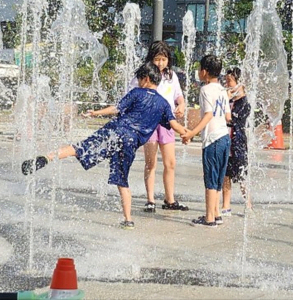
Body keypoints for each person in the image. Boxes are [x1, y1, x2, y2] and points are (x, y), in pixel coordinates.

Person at [21, 62, 188, 230]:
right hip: (130, 142)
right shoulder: (163, 103)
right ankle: (128, 220)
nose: (137, 82)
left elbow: (116, 108)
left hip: (115, 131)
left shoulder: (137, 93)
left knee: (80, 148)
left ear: (145, 79)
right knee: (122, 180)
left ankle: (47, 158)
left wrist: (95, 112)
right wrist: (186, 134)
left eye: (138, 79)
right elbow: (174, 124)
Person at [127, 41, 188, 213]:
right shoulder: (143, 75)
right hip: (149, 123)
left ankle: (170, 199)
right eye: (157, 59)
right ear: (150, 59)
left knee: (170, 163)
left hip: (167, 122)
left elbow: (179, 97)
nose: (160, 63)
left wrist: (181, 105)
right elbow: (131, 95)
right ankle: (150, 199)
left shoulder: (171, 77)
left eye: (164, 59)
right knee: (150, 162)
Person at [181, 55, 232, 227]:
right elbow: (227, 116)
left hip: (212, 139)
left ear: (204, 71)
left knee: (210, 178)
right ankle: (216, 213)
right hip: (225, 137)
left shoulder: (205, 90)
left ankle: (209, 217)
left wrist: (191, 133)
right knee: (218, 178)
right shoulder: (222, 90)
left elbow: (208, 115)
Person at [222, 67, 252, 215]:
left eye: (230, 81)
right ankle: (226, 205)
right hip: (226, 141)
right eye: (226, 81)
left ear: (239, 83)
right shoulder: (228, 99)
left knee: (241, 173)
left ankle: (248, 204)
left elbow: (233, 120)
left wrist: (226, 102)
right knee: (226, 174)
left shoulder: (244, 103)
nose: (227, 84)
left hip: (238, 142)